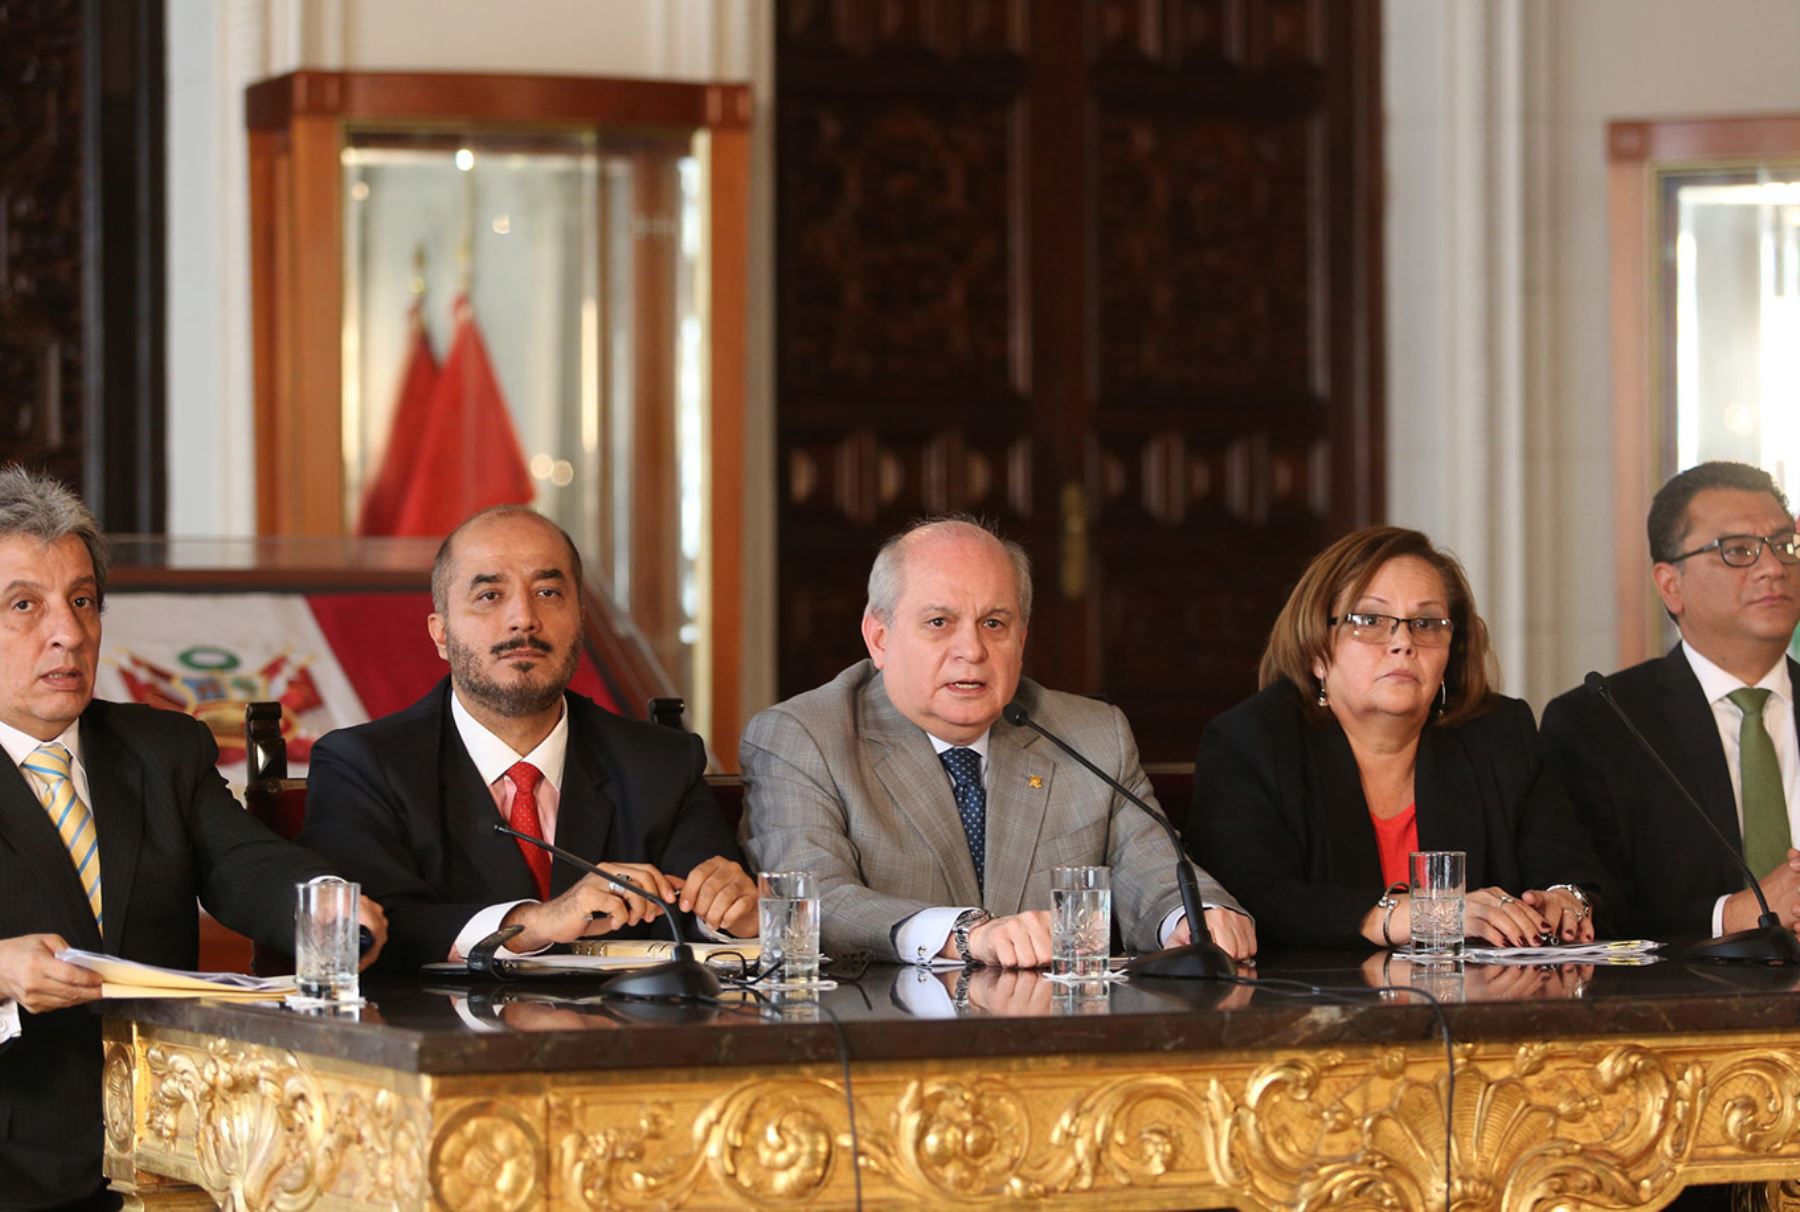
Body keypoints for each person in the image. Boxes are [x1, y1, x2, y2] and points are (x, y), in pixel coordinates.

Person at [0, 464, 386, 1212]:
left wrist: (327, 911)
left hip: (172, 1151)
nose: (69, 632)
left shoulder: (161, 749)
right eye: (25, 605)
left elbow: (248, 861)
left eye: (84, 600)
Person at [740, 516, 1254, 967]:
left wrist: (1197, 917)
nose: (972, 650)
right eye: (939, 623)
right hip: (879, 1041)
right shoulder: (803, 737)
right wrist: (965, 935)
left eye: (994, 623)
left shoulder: (1091, 735)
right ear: (879, 638)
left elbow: (1155, 869)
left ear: (1021, 639)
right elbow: (813, 899)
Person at [300, 505, 756, 973]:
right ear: (441, 634)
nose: (523, 618)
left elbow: (702, 916)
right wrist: (533, 925)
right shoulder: (363, 765)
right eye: (490, 595)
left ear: (579, 621)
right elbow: (370, 929)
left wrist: (732, 917)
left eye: (547, 591)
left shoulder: (660, 763)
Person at [1188, 526, 1608, 950]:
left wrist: (1563, 899)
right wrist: (1407, 916)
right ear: (1316, 648)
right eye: (1370, 620)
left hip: (1477, 1005)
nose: (1403, 642)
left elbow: (1572, 867)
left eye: (1426, 623)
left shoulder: (1499, 733)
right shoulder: (1251, 741)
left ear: (1452, 649)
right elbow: (1248, 898)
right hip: (1313, 1007)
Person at [1541, 461, 1800, 939]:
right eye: (1739, 551)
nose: (1772, 568)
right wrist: (1736, 917)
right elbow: (1591, 907)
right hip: (1681, 1004)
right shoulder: (1600, 723)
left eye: (1785, 546)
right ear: (1670, 585)